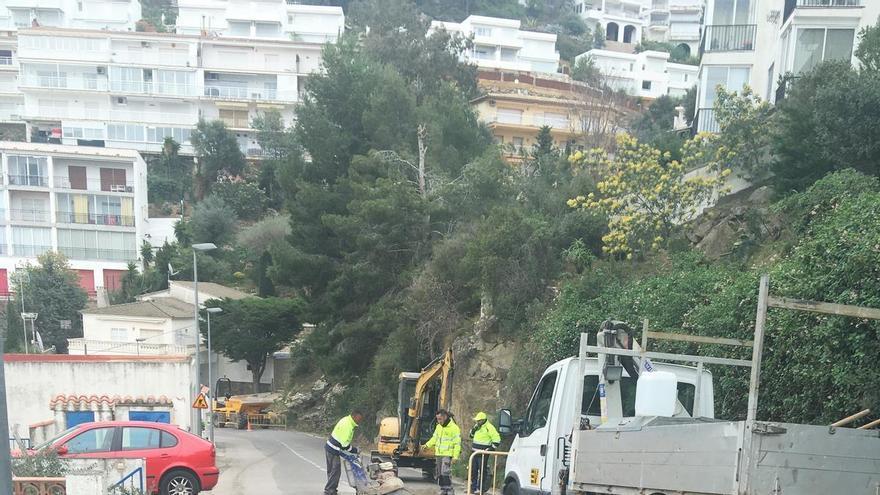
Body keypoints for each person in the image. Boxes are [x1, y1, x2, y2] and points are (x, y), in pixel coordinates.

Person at [324, 410, 364, 495]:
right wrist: (355, 450)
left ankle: (331, 490)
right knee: (335, 471)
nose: (360, 421)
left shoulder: (347, 420)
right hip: (333, 449)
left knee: (331, 471)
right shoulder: (348, 425)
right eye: (359, 418)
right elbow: (344, 445)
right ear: (354, 416)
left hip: (330, 447)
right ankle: (329, 491)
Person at [424, 409, 461, 495]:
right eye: (437, 419)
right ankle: (443, 489)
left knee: (445, 472)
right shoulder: (438, 427)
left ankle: (450, 490)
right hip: (439, 454)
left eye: (440, 419)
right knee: (439, 473)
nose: (438, 421)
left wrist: (455, 456)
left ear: (445, 417)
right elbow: (434, 438)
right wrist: (426, 445)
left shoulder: (454, 428)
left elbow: (457, 443)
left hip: (447, 454)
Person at [469, 411, 501, 495]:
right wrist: (473, 430)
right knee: (473, 471)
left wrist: (490, 449)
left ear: (483, 420)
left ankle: (480, 489)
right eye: (477, 420)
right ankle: (473, 488)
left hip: (483, 454)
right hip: (474, 453)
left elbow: (497, 440)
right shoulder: (477, 426)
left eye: (479, 420)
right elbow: (471, 436)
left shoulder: (489, 427)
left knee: (482, 472)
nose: (477, 422)